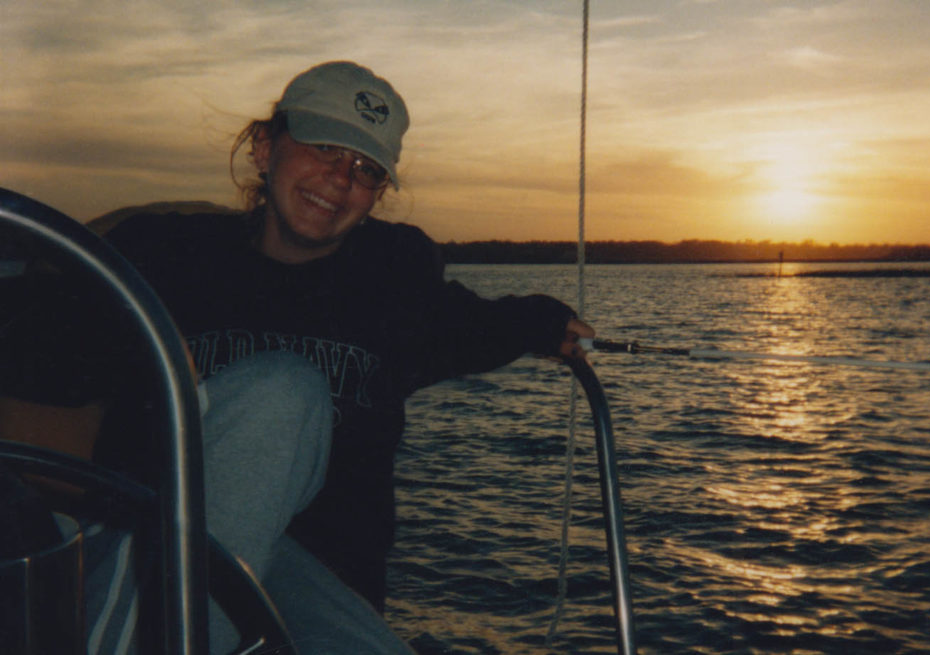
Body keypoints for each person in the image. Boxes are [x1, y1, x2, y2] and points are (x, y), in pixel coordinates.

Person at [85, 60, 594, 651]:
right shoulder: (162, 259)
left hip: (315, 586)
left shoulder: (393, 283)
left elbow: (476, 323)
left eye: (366, 168)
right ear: (263, 146)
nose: (340, 177)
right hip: (155, 549)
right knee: (282, 394)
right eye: (325, 146)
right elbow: (43, 348)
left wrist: (547, 322)